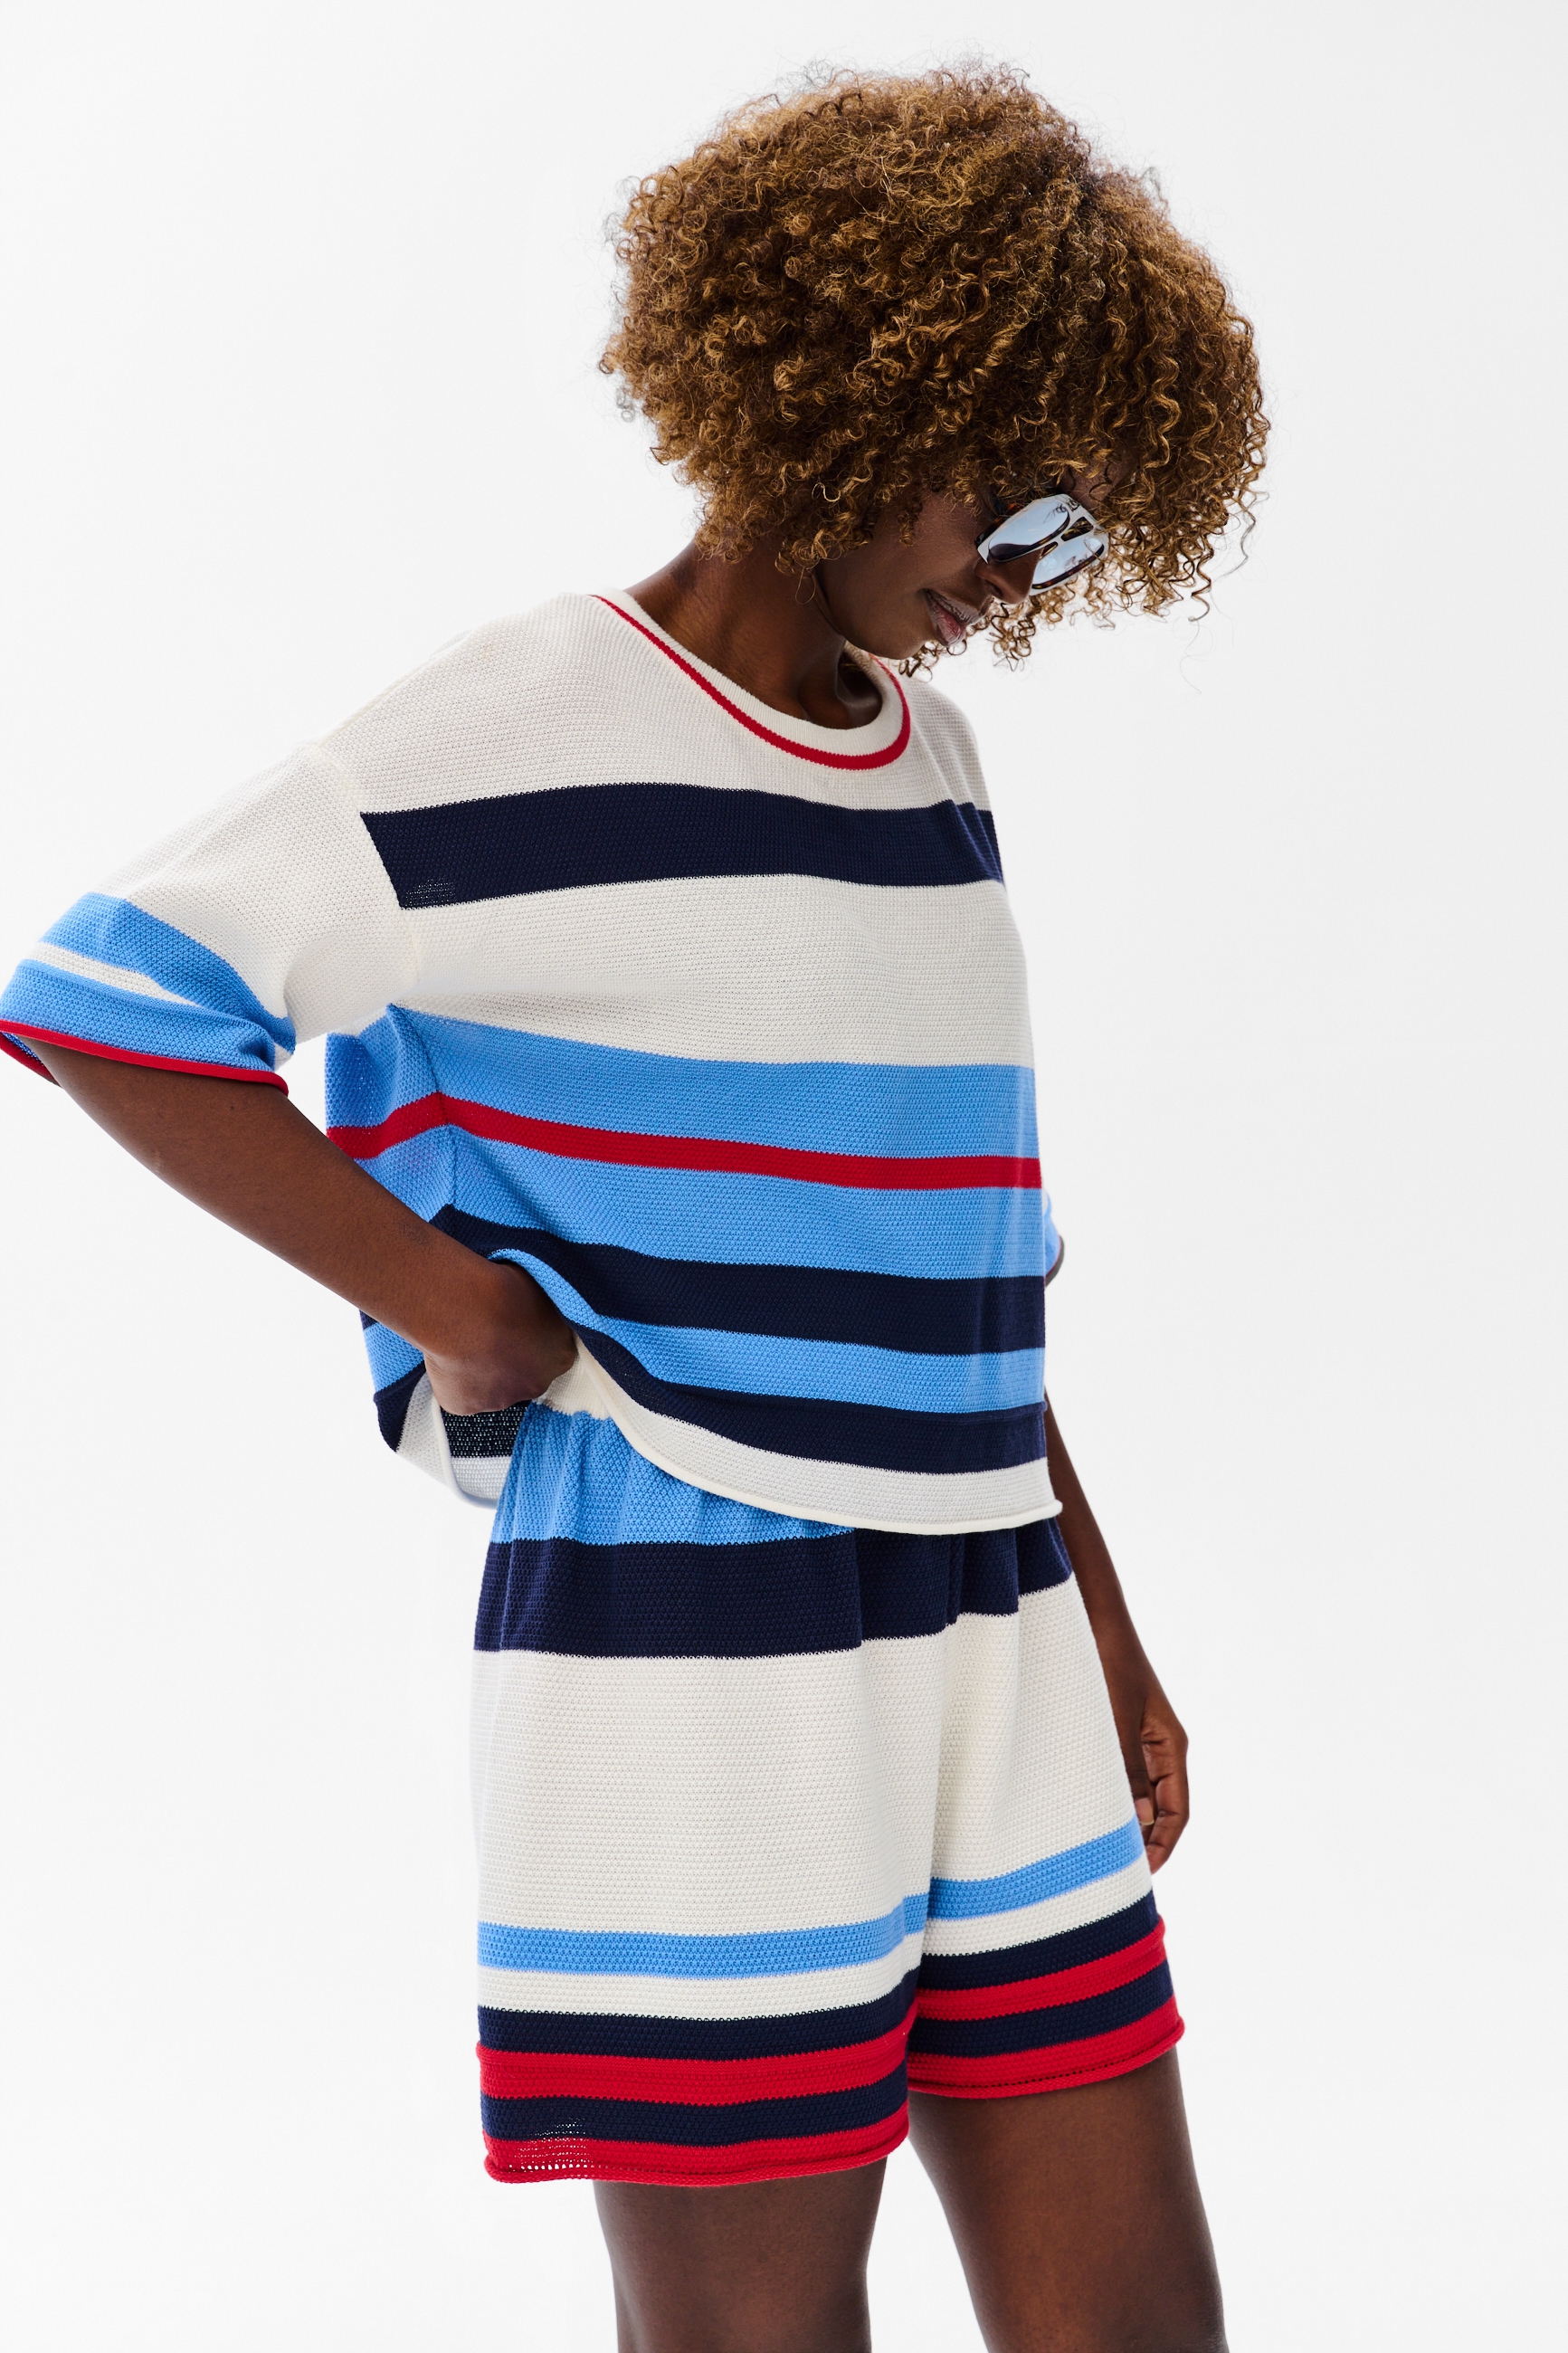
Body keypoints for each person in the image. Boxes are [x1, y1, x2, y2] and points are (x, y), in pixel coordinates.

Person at [0, 66, 1265, 2353]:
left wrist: (1100, 1607)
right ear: (882, 395)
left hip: (987, 1610)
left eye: (1079, 538)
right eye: (1022, 506)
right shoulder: (508, 728)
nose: (1021, 581)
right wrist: (448, 1305)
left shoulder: (933, 762)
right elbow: (105, 999)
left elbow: (960, 1254)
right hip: (695, 1621)